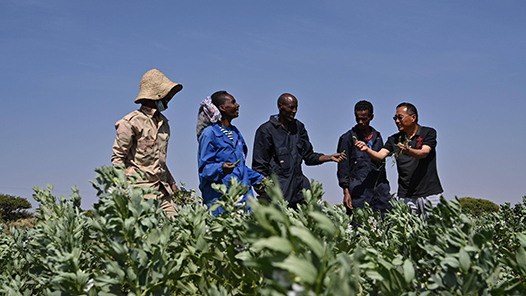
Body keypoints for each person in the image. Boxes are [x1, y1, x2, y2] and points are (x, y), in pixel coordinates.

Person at [252, 93, 346, 209]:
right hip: (279, 195)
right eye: (291, 107)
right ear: (280, 106)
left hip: (299, 193)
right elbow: (259, 167)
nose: (294, 111)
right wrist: (266, 195)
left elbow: (309, 157)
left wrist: (330, 157)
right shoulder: (266, 131)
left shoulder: (299, 127)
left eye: (296, 107)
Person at [111, 69, 182, 218]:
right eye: (166, 95)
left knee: (177, 230)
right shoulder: (130, 123)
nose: (169, 99)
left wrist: (171, 180)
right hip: (139, 193)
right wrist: (124, 191)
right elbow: (118, 159)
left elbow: (158, 159)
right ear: (157, 96)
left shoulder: (164, 124)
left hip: (162, 192)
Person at [355, 102, 443, 217]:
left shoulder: (428, 133)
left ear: (413, 117)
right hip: (406, 196)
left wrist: (409, 151)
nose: (397, 121)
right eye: (395, 118)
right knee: (408, 232)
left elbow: (424, 153)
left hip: (430, 194)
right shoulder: (394, 139)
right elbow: (380, 156)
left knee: (435, 231)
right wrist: (366, 149)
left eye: (400, 118)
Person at [197, 91, 264, 215]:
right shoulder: (209, 134)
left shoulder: (236, 133)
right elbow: (205, 169)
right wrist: (221, 168)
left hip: (243, 199)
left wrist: (260, 179)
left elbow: (240, 167)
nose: (237, 105)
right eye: (233, 102)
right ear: (222, 108)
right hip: (221, 201)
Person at [337, 100, 391, 216]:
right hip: (359, 194)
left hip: (380, 193)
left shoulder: (377, 138)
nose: (360, 122)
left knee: (386, 226)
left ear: (371, 117)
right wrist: (346, 192)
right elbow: (343, 168)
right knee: (360, 228)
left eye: (364, 119)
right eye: (358, 118)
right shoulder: (347, 138)